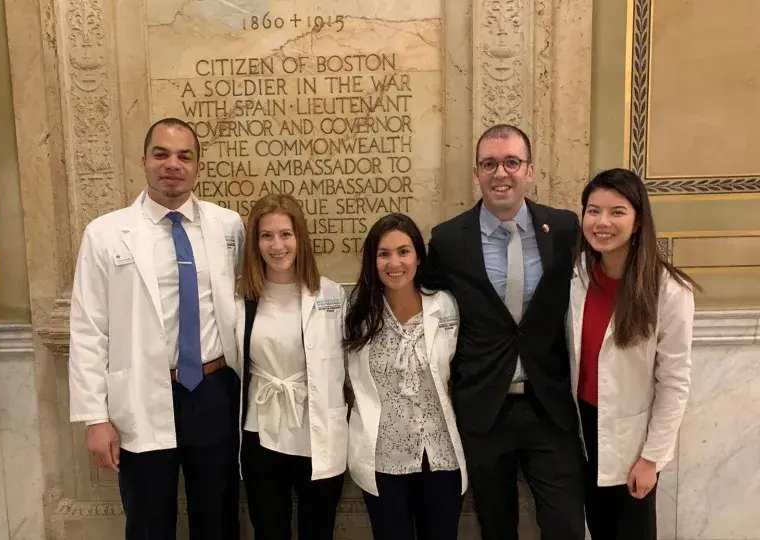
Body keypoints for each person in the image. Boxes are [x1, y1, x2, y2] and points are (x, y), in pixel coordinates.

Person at [68, 117, 244, 540]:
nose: (173, 164)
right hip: (142, 394)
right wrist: (95, 418)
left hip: (213, 390)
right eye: (161, 154)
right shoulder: (106, 234)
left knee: (217, 518)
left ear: (198, 166)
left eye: (185, 156)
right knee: (148, 520)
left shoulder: (228, 226)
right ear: (144, 160)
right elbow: (88, 327)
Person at [425, 124, 585, 539]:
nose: (501, 173)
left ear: (529, 171)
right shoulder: (447, 239)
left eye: (512, 162)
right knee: (496, 528)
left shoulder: (565, 229)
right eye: (489, 164)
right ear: (476, 173)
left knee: (566, 526)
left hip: (549, 406)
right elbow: (427, 304)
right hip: (483, 410)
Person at [568, 168, 696, 539]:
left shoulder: (669, 291)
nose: (602, 222)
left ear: (638, 221)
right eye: (593, 211)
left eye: (616, 212)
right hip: (582, 432)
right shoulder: (577, 275)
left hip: (631, 442)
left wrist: (651, 459)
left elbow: (674, 383)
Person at [344, 213, 468, 540]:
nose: (394, 262)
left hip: (441, 457)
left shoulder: (445, 306)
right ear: (373, 261)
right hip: (383, 460)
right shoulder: (357, 313)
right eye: (384, 254)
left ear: (418, 256)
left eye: (404, 251)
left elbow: (462, 373)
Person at [235, 193, 348, 540]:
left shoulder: (331, 295)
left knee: (318, 529)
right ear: (255, 242)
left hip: (317, 431)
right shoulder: (240, 298)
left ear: (300, 238)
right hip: (262, 431)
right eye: (266, 235)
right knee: (269, 529)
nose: (277, 245)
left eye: (285, 234)